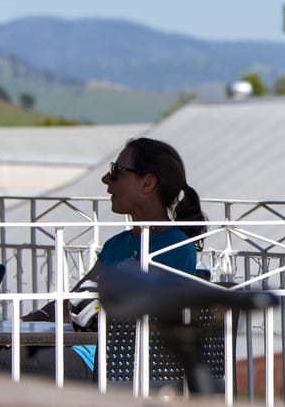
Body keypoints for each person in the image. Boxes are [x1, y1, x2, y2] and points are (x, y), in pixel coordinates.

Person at [23, 136, 207, 383]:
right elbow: (74, 302)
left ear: (147, 183)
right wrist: (32, 320)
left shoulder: (175, 247)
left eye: (116, 172)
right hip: (91, 354)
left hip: (125, 365)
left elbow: (143, 317)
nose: (106, 180)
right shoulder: (116, 245)